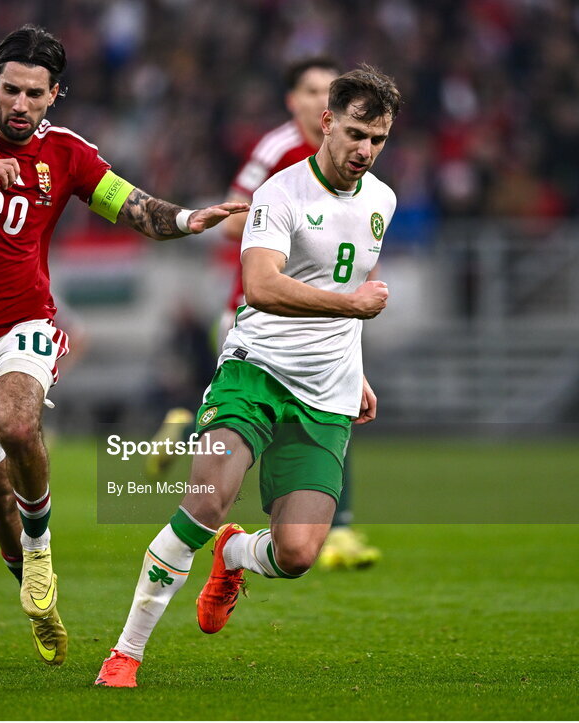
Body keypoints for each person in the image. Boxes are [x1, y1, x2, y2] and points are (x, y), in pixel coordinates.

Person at [0, 24, 247, 667]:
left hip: (21, 324)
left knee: (16, 421)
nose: (20, 104)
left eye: (34, 94)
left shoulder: (67, 153)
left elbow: (134, 207)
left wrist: (187, 219)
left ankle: (39, 551)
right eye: (10, 89)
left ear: (53, 95)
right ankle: (29, 582)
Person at [96, 65, 401, 687]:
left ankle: (235, 554)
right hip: (255, 372)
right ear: (327, 123)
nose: (365, 151)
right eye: (355, 134)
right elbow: (261, 287)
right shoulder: (280, 194)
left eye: (378, 140)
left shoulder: (382, 200)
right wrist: (351, 306)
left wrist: (358, 369)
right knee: (206, 501)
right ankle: (125, 653)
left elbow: (350, 283)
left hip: (328, 391)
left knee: (298, 554)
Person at [153, 56, 381, 570]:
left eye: (328, 91)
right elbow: (235, 215)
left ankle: (333, 528)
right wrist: (282, 230)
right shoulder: (279, 151)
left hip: (320, 320)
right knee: (255, 413)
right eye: (310, 91)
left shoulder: (354, 159)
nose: (320, 100)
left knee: (326, 407)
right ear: (293, 101)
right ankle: (190, 435)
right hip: (255, 312)